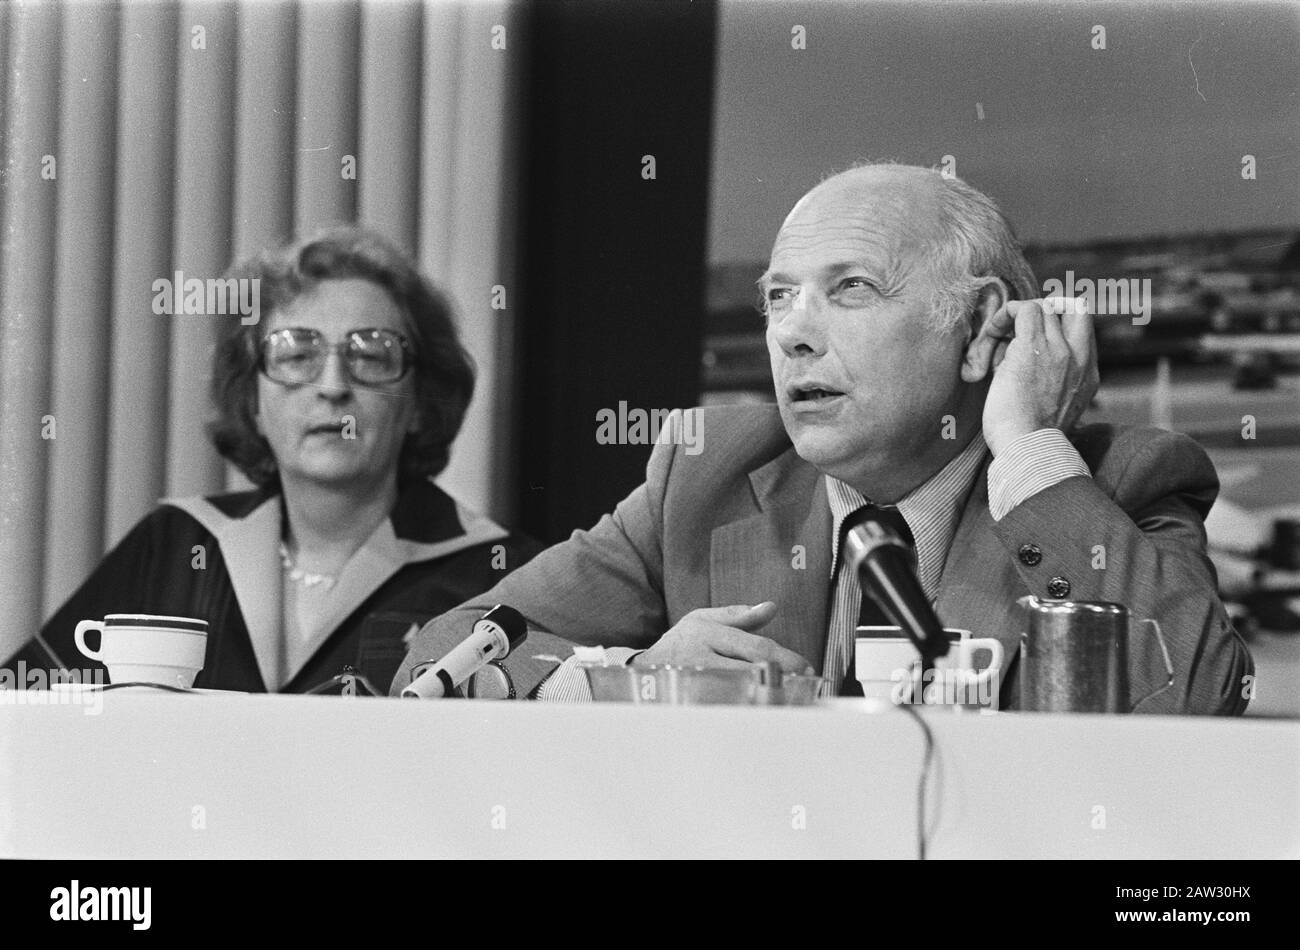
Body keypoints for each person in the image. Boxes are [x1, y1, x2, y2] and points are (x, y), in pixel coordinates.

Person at [392, 163, 1252, 714]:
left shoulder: (1111, 483)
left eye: (850, 289)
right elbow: (439, 658)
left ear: (982, 322)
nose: (792, 336)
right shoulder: (709, 474)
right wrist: (628, 677)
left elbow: (1204, 696)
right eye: (777, 297)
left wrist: (1027, 448)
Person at [8, 226, 539, 693]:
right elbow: (22, 713)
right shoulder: (175, 547)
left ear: (420, 402)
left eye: (372, 355)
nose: (332, 387)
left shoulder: (500, 577)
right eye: (297, 355)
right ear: (253, 400)